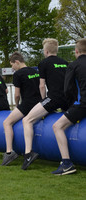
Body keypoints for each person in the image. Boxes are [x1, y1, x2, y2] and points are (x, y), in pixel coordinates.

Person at [21, 38, 69, 170]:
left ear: (46, 51)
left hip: (53, 98)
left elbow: (42, 86)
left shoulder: (43, 63)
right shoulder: (65, 63)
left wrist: (43, 102)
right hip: (67, 99)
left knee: (27, 120)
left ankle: (28, 153)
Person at [52, 38, 86, 175]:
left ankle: (66, 163)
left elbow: (67, 89)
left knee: (57, 126)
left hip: (82, 105)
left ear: (76, 51)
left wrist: (69, 105)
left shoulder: (74, 65)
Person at [1, 52, 41, 166]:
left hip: (27, 104)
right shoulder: (35, 71)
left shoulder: (18, 74)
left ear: (17, 62)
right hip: (39, 104)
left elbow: (17, 94)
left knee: (7, 122)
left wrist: (17, 105)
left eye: (12, 65)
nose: (12, 68)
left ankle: (9, 152)